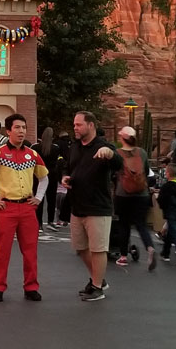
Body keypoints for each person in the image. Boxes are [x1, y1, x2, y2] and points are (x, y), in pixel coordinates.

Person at [0, 113, 48, 302]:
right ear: (8, 131)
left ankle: (31, 286)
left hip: (27, 208)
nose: (21, 131)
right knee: (1, 250)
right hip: (5, 208)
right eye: (17, 128)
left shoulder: (32, 154)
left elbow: (44, 178)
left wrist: (39, 198)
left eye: (24, 127)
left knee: (30, 250)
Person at [62, 111, 121, 301]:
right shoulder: (75, 146)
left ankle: (97, 287)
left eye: (79, 125)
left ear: (91, 126)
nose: (75, 128)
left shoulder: (103, 146)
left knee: (98, 249)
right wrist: (65, 177)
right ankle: (99, 279)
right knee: (80, 248)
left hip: (98, 207)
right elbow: (67, 167)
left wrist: (110, 154)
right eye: (74, 125)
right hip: (77, 205)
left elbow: (118, 163)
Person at [112, 126, 156, 271]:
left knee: (123, 224)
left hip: (123, 194)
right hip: (142, 194)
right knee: (141, 224)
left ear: (122, 138)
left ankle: (123, 256)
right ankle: (149, 247)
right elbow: (147, 171)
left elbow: (114, 172)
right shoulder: (142, 153)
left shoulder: (117, 153)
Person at [32, 127, 62, 231]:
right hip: (52, 174)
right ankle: (50, 221)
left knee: (39, 198)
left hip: (38, 174)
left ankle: (38, 223)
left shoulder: (35, 147)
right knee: (51, 199)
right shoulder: (56, 148)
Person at [55, 132, 73, 225]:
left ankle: (58, 219)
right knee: (66, 192)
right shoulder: (72, 144)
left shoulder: (58, 144)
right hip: (69, 166)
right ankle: (66, 218)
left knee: (59, 190)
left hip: (59, 164)